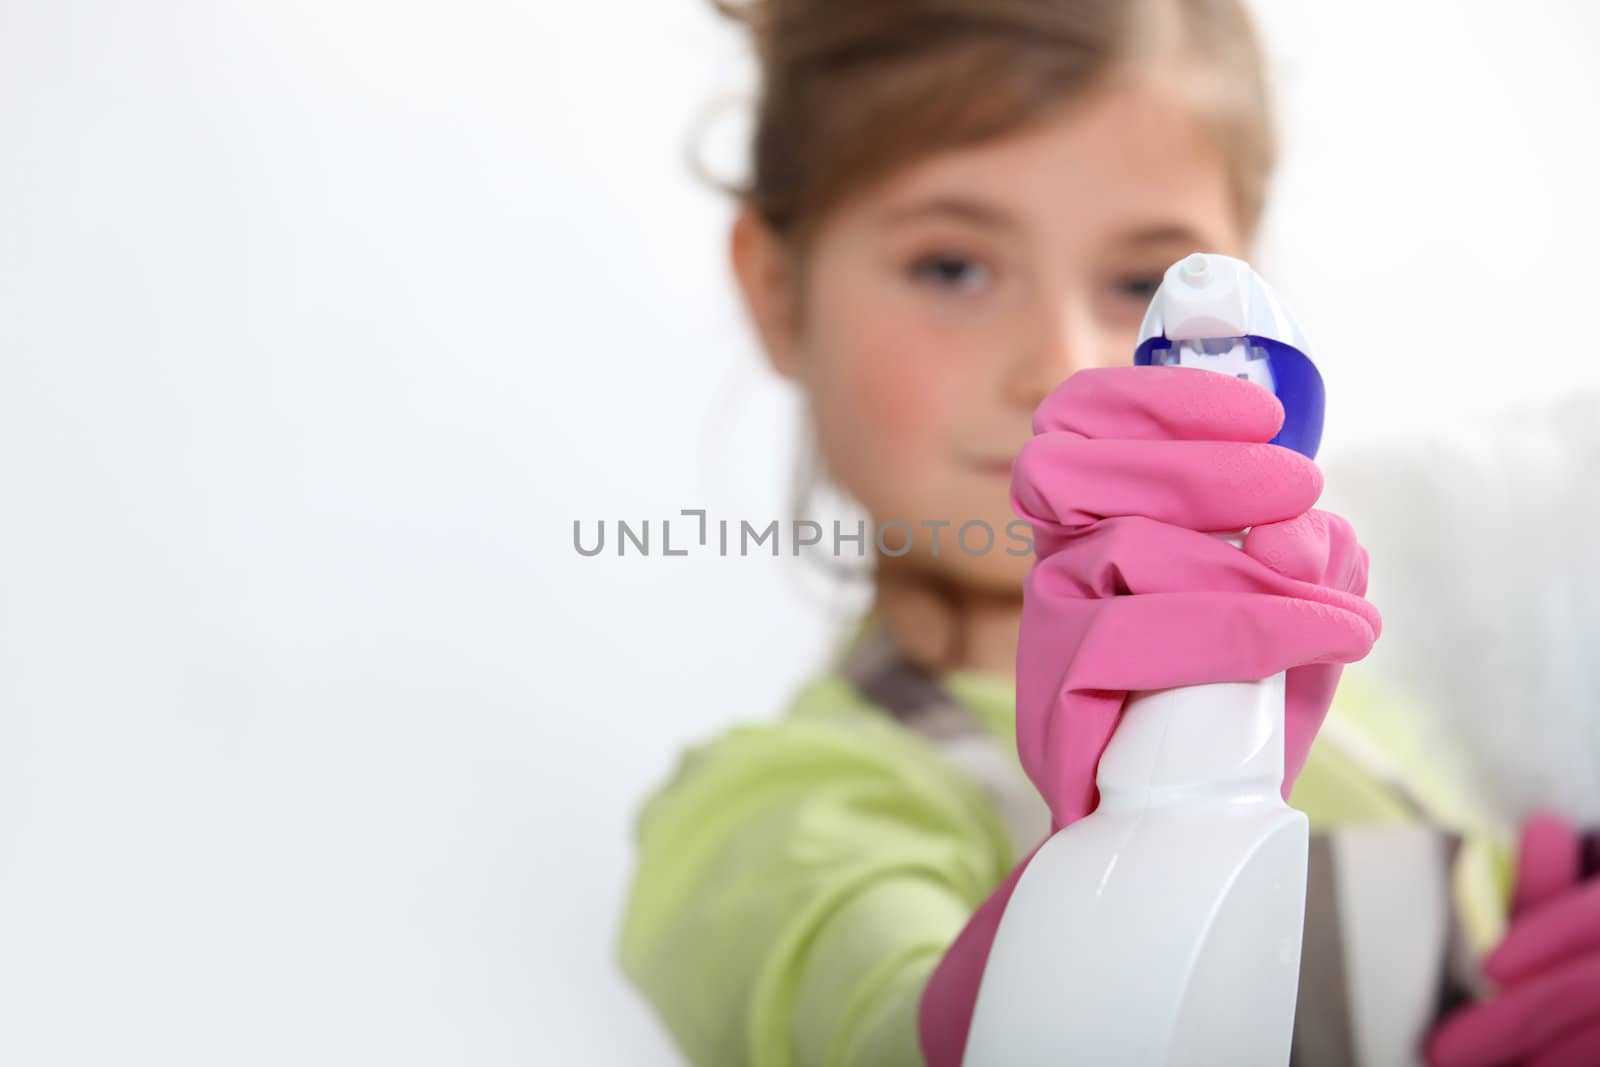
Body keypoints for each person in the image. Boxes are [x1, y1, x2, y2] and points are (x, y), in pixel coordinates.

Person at [614, 1, 1595, 1063]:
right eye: (952, 267)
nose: (1061, 359)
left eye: (1140, 283)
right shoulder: (777, 817)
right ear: (774, 290)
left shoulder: (1340, 684)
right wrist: (1119, 857)